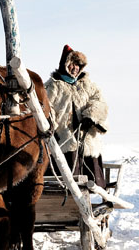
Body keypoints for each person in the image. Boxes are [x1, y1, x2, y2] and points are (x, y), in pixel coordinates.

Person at [45, 44, 108, 188]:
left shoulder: (88, 84)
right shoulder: (52, 86)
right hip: (65, 136)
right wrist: (52, 127)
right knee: (66, 171)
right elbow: (47, 107)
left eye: (79, 65)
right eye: (73, 64)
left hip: (86, 134)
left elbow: (100, 102)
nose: (75, 68)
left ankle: (91, 193)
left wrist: (90, 116)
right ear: (65, 65)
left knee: (90, 172)